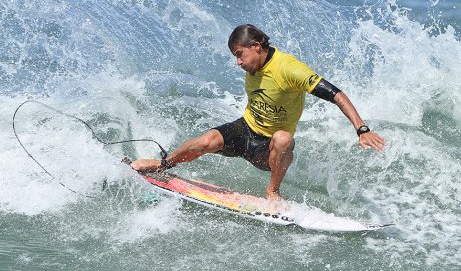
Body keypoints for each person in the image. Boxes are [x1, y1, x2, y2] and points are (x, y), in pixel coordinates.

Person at [131, 24, 385, 203]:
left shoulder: (289, 69)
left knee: (284, 138)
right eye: (235, 57)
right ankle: (163, 165)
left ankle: (273, 191)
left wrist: (362, 129)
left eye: (240, 55)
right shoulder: (253, 67)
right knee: (205, 141)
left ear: (256, 46)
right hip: (246, 130)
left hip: (269, 148)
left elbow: (336, 94)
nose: (238, 62)